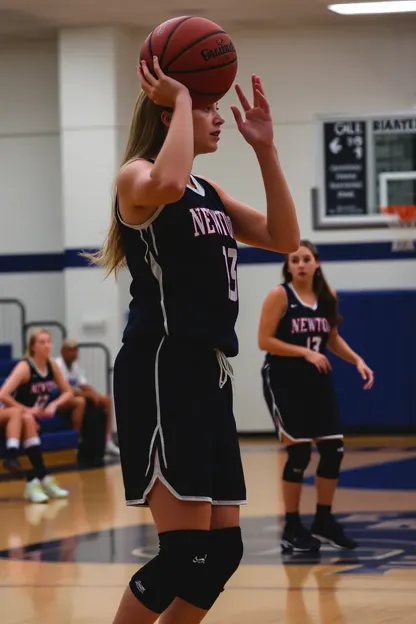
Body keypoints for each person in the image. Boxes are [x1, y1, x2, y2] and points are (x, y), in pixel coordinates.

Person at [86, 54, 299, 624]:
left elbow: (284, 237)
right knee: (183, 554)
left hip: (210, 371)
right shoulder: (137, 177)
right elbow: (168, 180)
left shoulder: (209, 191)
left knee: (221, 551)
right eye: (205, 106)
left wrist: (267, 150)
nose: (217, 116)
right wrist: (180, 99)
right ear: (166, 115)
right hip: (164, 367)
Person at [258, 240, 374, 553]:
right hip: (283, 380)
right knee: (298, 454)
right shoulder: (279, 295)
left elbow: (332, 339)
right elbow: (264, 340)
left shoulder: (326, 297)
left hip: (317, 381)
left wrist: (357, 360)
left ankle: (323, 520)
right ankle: (292, 526)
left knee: (334, 450)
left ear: (317, 263)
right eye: (294, 260)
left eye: (306, 259)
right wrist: (305, 353)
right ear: (288, 266)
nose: (300, 264)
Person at [0, 328, 72, 503]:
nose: (47, 345)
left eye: (49, 341)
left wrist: (54, 405)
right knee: (24, 416)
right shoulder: (25, 367)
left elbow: (68, 392)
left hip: (29, 417)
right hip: (9, 413)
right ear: (32, 347)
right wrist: (28, 410)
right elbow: (3, 395)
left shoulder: (52, 365)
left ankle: (36, 480)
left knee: (28, 418)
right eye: (42, 342)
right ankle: (40, 477)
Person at [55, 339, 120, 457]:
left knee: (106, 400)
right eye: (70, 350)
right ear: (62, 351)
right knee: (80, 402)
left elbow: (84, 385)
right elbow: (66, 390)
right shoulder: (57, 365)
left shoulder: (75, 366)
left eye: (75, 350)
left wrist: (96, 395)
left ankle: (108, 441)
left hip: (74, 396)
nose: (74, 353)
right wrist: (88, 395)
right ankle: (76, 441)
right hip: (59, 398)